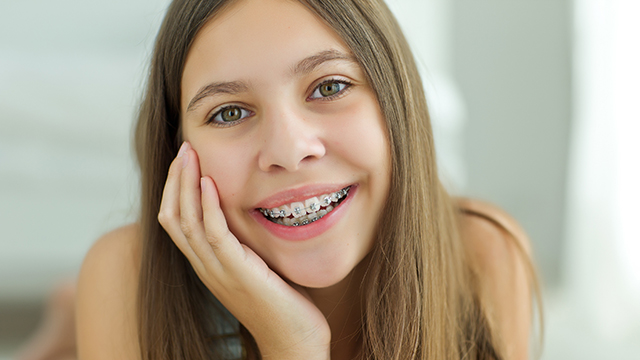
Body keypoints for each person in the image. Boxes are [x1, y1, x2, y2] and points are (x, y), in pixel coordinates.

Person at [47, 0, 541, 359]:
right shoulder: (126, 278)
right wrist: (293, 348)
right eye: (229, 112)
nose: (288, 150)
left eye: (330, 86)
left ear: (396, 102)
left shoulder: (484, 255)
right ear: (177, 153)